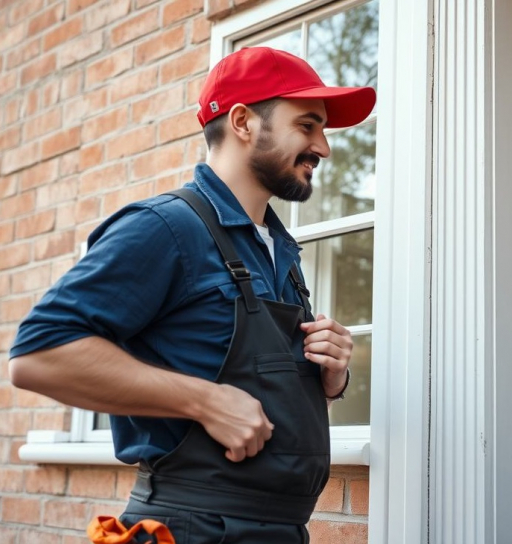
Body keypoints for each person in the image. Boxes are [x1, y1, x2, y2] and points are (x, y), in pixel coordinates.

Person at [9, 46, 376, 543]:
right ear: (244, 122)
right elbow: (39, 355)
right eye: (308, 125)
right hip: (193, 528)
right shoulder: (167, 227)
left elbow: (256, 391)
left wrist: (329, 379)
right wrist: (207, 402)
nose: (324, 147)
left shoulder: (278, 248)